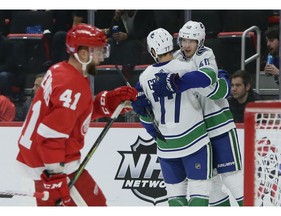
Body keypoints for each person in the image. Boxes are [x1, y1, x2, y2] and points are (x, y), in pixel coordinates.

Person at [15, 23, 137, 206]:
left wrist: (109, 101)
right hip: (53, 165)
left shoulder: (61, 70)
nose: (102, 57)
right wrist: (54, 174)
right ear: (83, 54)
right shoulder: (72, 85)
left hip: (43, 160)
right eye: (98, 51)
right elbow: (51, 134)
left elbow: (75, 114)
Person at [131, 28, 228, 206]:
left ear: (153, 51)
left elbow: (145, 116)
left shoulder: (144, 78)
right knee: (200, 192)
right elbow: (209, 83)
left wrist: (157, 134)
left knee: (175, 197)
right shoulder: (187, 67)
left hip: (167, 146)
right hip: (194, 141)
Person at [172, 21, 244, 206]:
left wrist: (183, 81)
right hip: (198, 132)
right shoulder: (176, 57)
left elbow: (207, 82)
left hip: (219, 125)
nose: (186, 45)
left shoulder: (206, 54)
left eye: (191, 41)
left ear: (200, 42)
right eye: (184, 40)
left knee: (232, 178)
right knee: (210, 185)